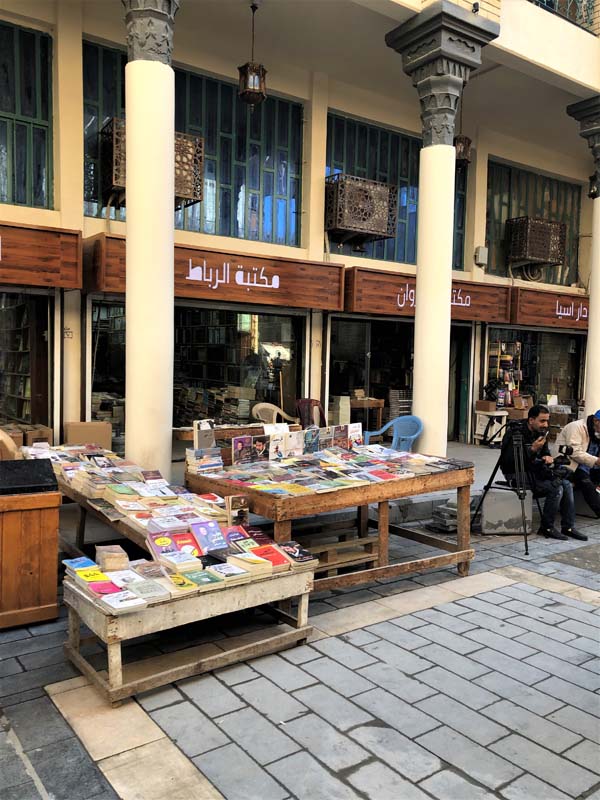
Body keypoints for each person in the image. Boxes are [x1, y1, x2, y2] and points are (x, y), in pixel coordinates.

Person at [499, 404, 586, 541]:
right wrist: (532, 449)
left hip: (536, 471)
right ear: (531, 420)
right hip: (516, 473)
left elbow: (545, 453)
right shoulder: (515, 433)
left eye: (547, 420)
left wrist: (547, 458)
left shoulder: (541, 432)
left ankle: (568, 526)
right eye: (542, 421)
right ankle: (546, 527)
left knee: (566, 484)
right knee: (556, 488)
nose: (545, 424)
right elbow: (508, 461)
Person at [557, 410, 600, 518]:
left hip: (588, 465)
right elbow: (574, 452)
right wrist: (596, 461)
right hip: (570, 465)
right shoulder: (576, 427)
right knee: (586, 483)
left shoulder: (597, 431)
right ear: (596, 421)